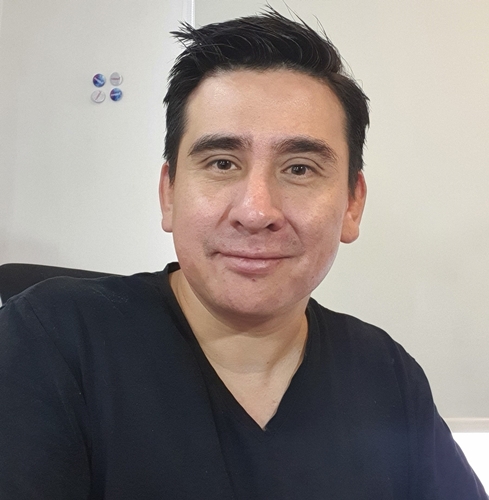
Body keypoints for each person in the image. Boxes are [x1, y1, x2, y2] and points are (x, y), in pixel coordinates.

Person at [0, 9, 486, 500]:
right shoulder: (51, 341)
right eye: (222, 162)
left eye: (299, 168)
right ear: (169, 193)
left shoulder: (385, 374)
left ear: (352, 204)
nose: (256, 212)